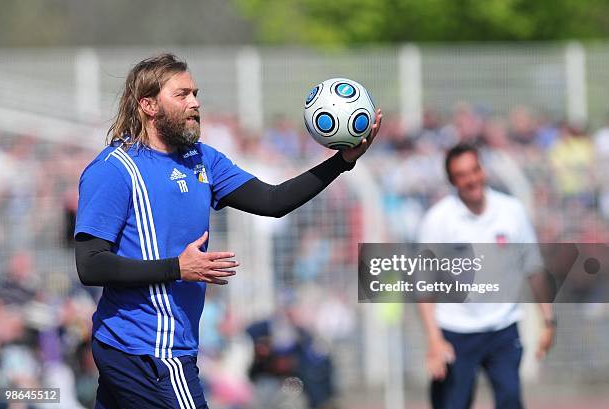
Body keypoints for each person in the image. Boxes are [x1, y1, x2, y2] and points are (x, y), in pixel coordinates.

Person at [73, 53, 381, 409]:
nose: (195, 102)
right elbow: (90, 264)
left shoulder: (201, 159)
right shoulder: (114, 170)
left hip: (149, 347)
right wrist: (178, 268)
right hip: (148, 349)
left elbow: (272, 200)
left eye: (195, 93)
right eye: (182, 94)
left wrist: (341, 163)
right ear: (148, 105)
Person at [416, 144, 555, 409]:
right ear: (452, 181)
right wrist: (434, 339)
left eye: (475, 170)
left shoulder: (511, 211)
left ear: (483, 170)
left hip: (502, 329)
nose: (471, 179)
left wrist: (549, 321)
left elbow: (534, 269)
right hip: (455, 333)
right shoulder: (438, 220)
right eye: (461, 175)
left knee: (511, 400)